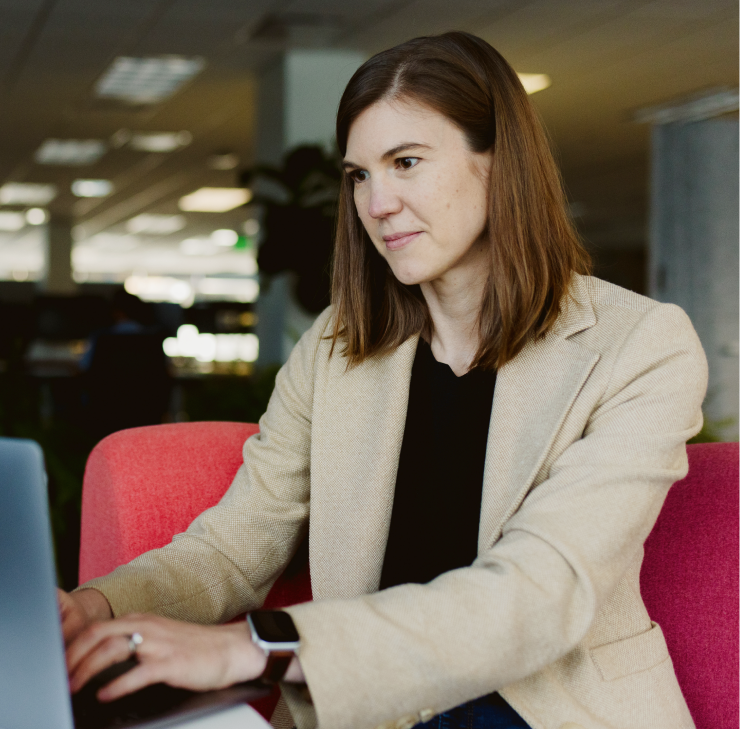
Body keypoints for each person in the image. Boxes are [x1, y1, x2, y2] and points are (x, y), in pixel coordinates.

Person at [59, 31, 707, 730]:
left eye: (405, 162)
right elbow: (234, 545)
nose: (376, 203)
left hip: (545, 709)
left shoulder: (640, 345)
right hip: (371, 708)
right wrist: (97, 607)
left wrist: (255, 650)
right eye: (358, 175)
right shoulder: (335, 349)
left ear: (499, 164)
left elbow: (538, 593)